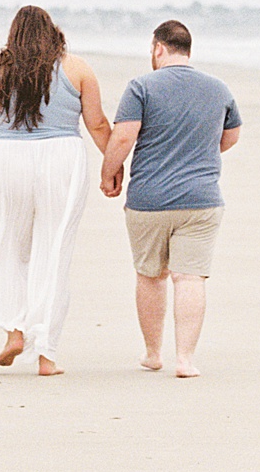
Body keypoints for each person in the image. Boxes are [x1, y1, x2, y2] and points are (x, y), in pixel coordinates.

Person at [0, 5, 111, 376]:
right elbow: (99, 124)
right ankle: (47, 356)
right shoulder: (77, 68)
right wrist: (113, 166)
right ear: (53, 32)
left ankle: (14, 333)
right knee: (53, 255)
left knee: (11, 252)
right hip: (62, 161)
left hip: (7, 162)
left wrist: (5, 131)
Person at [100, 19, 241, 377]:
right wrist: (198, 153)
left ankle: (152, 354)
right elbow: (231, 136)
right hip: (202, 200)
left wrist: (109, 174)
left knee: (150, 276)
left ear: (158, 48)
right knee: (190, 278)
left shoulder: (141, 87)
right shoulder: (218, 88)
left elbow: (122, 139)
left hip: (149, 199)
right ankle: (185, 360)